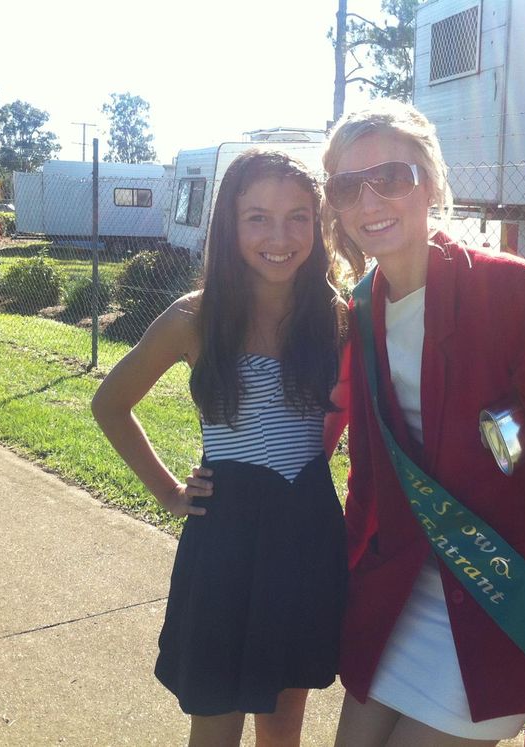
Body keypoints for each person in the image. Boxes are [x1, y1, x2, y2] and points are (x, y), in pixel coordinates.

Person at [321, 100, 525, 746]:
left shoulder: (516, 295)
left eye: (392, 177)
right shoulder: (362, 309)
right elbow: (370, 477)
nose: (370, 200)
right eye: (348, 186)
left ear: (431, 181)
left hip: (501, 608)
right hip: (402, 599)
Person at [91, 149, 348, 747]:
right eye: (258, 217)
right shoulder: (194, 318)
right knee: (215, 717)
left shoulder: (335, 316)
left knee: (283, 720)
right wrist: (168, 492)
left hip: (306, 531)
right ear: (228, 225)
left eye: (298, 217)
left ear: (318, 224)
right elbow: (110, 405)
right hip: (226, 540)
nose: (280, 237)